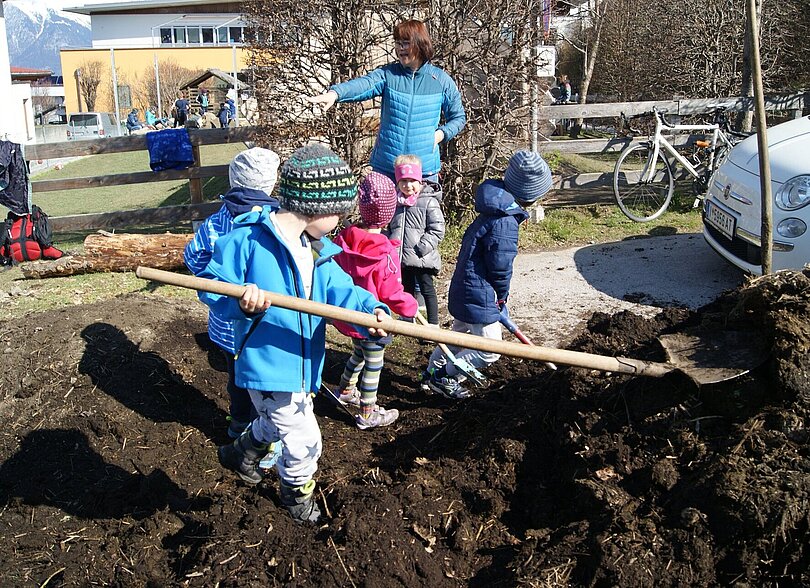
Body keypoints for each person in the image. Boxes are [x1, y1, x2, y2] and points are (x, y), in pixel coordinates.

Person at [198, 144, 391, 523]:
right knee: (305, 440)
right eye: (337, 211)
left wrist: (371, 309)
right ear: (314, 206)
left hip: (302, 365)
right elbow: (212, 285)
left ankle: (242, 452)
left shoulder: (315, 249)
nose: (338, 220)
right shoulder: (248, 240)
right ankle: (295, 494)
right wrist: (240, 301)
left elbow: (342, 289)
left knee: (276, 419)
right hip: (267, 362)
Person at [423, 150, 553, 399]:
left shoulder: (494, 209)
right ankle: (445, 378)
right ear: (531, 193)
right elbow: (500, 266)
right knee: (489, 350)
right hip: (479, 292)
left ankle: (431, 373)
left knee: (459, 336)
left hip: (465, 287)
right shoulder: (504, 222)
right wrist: (501, 297)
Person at [184, 147, 281, 442]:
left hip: (226, 327)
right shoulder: (277, 221)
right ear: (271, 183)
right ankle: (261, 434)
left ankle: (239, 425)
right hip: (267, 325)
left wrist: (211, 277)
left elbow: (193, 258)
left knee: (237, 380)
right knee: (265, 384)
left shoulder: (216, 223)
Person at [307, 19, 466, 181]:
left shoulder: (440, 80)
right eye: (397, 43)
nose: (400, 48)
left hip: (423, 173)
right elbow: (364, 84)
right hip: (386, 169)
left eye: (405, 43)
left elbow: (459, 118)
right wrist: (335, 94)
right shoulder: (388, 75)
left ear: (420, 44)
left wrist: (440, 134)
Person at [332, 172, 418, 429]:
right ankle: (367, 413)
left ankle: (346, 390)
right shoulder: (385, 252)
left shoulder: (345, 240)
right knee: (374, 363)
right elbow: (391, 291)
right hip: (374, 319)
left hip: (349, 315)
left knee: (358, 352)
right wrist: (409, 307)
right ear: (389, 213)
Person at [384, 154, 444, 326]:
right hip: (402, 255)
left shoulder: (428, 201)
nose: (408, 185)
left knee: (427, 289)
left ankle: (433, 323)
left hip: (421, 256)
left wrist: (422, 247)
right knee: (406, 289)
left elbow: (437, 228)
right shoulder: (395, 203)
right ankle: (408, 319)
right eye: (403, 181)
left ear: (419, 180)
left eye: (412, 180)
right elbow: (391, 228)